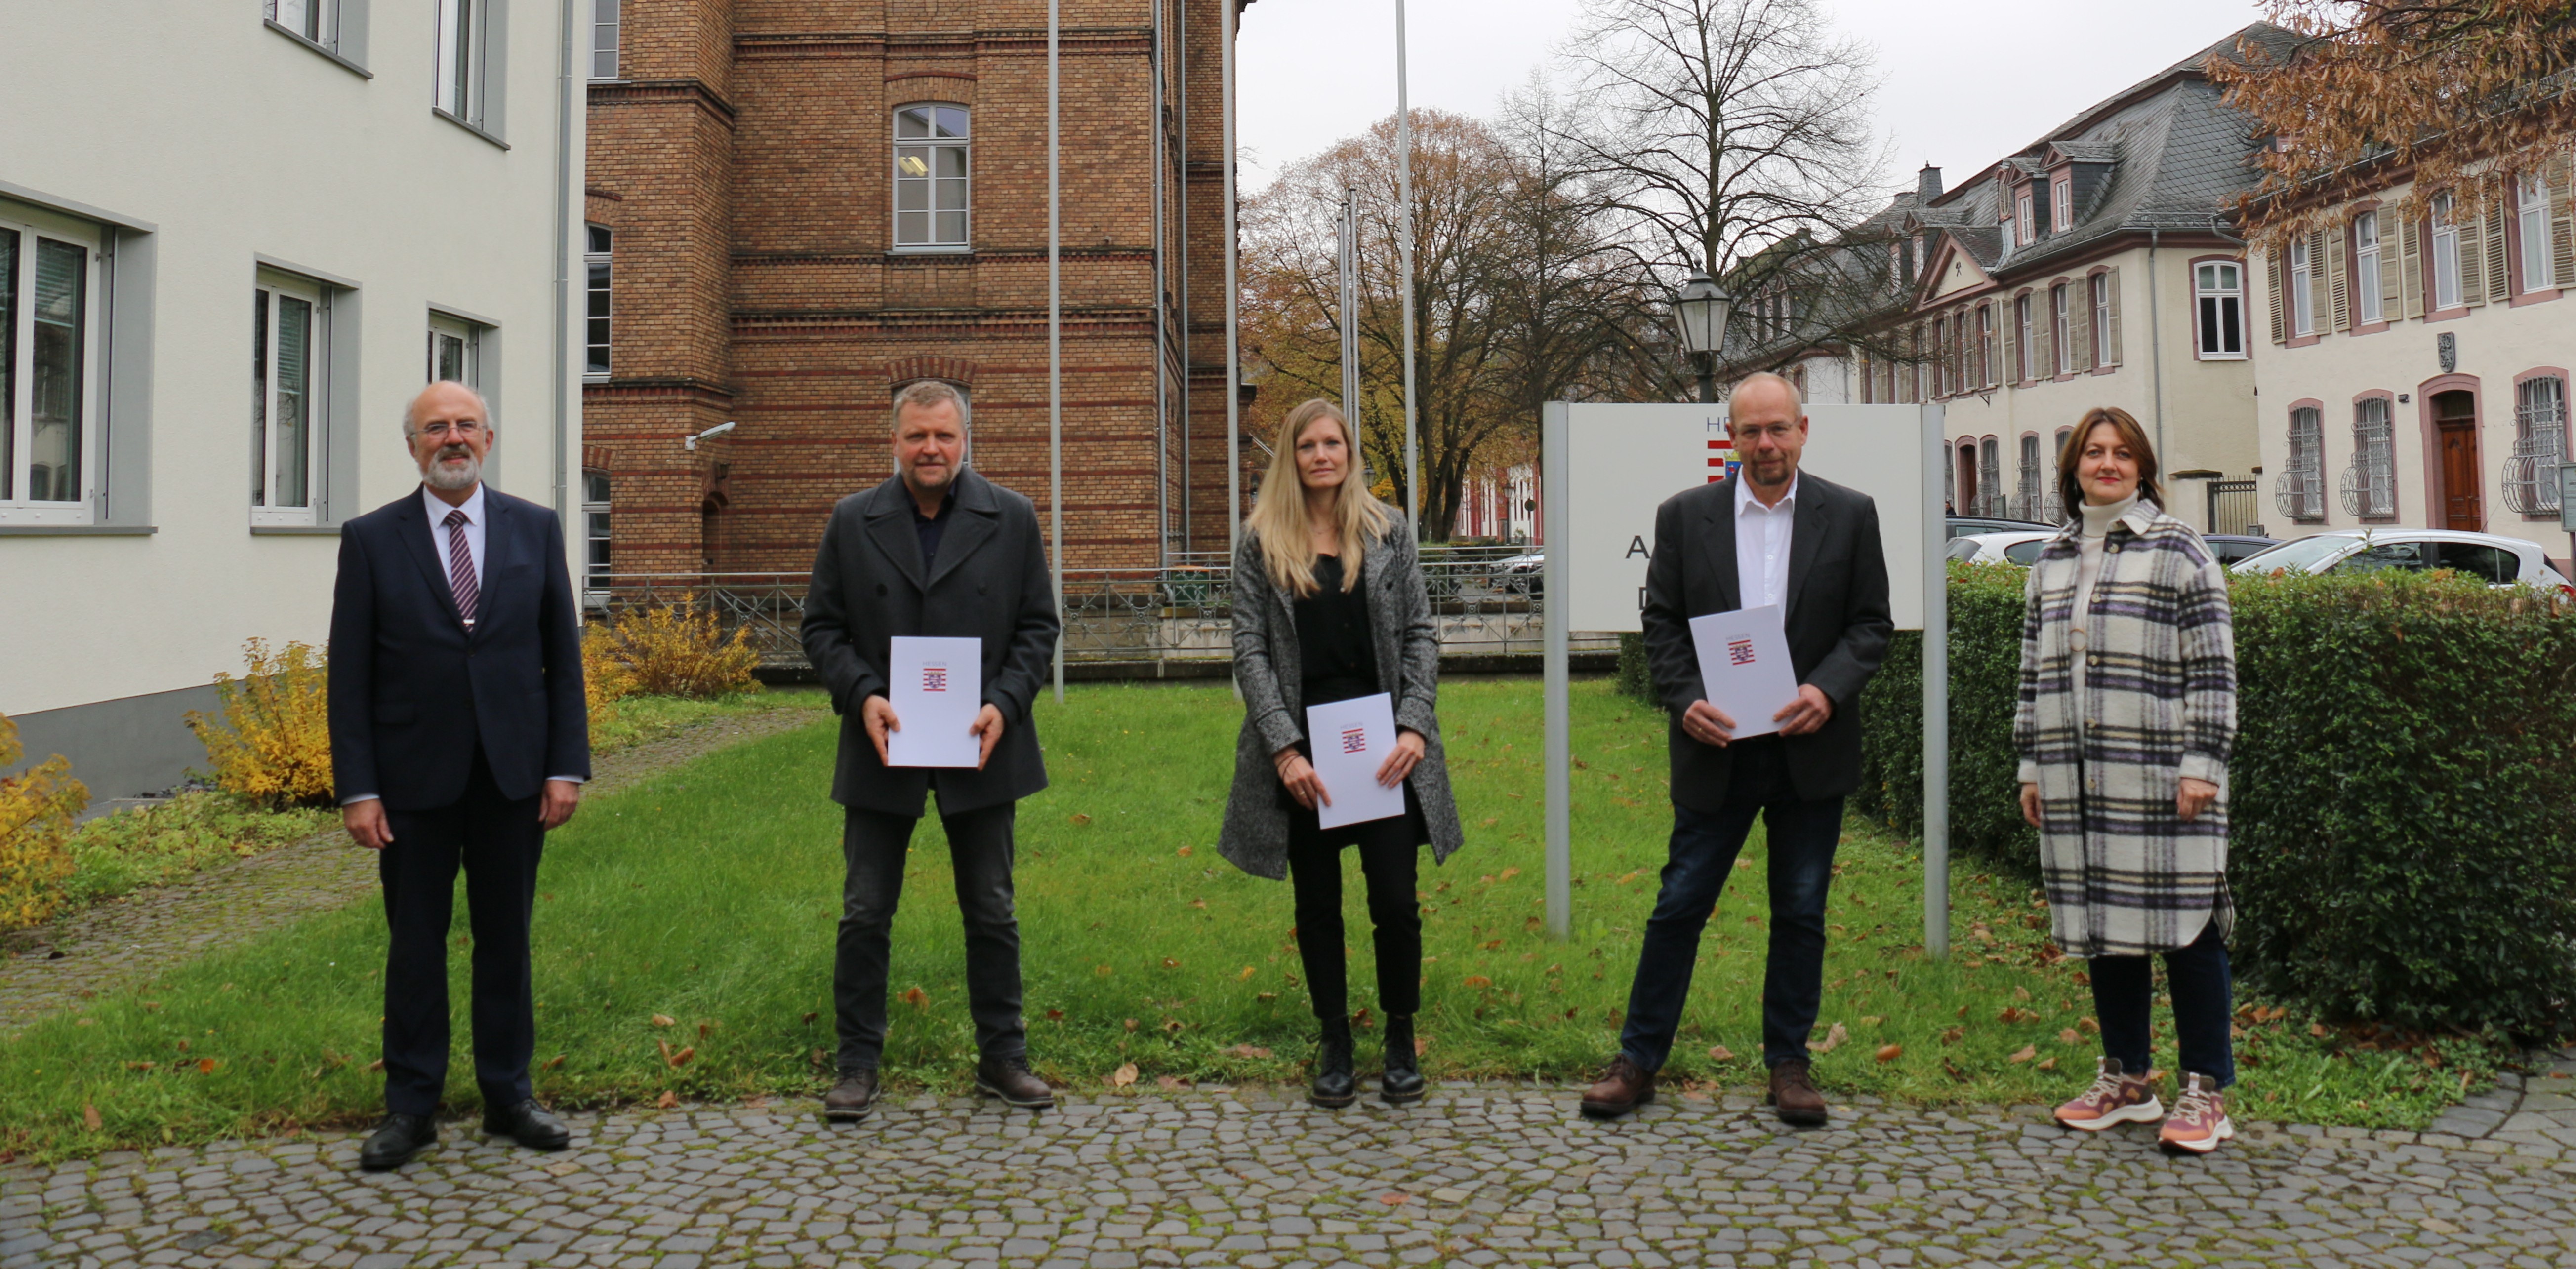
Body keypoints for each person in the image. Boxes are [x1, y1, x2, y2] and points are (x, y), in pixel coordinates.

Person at [1584, 372, 1892, 1126]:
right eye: (1750, 431)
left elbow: (1870, 625)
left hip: (1807, 747)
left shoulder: (1849, 514)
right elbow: (1661, 623)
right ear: (1731, 437)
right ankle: (1638, 1059)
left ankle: (1789, 1064)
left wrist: (1826, 690)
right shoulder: (1686, 517)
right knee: (1679, 904)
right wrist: (1684, 699)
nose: (1765, 444)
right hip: (1716, 746)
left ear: (1803, 430)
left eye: (1778, 429)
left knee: (1800, 910)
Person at [328, 381, 590, 1171]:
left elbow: (562, 662)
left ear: (489, 437)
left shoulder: (536, 529)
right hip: (412, 783)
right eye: (435, 427)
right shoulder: (373, 538)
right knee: (415, 944)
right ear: (412, 445)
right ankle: (411, 1106)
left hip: (513, 775)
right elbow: (350, 676)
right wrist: (359, 787)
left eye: (466, 426)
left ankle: (509, 1094)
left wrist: (564, 766)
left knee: (506, 940)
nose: (452, 438)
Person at [801, 380, 1062, 1121]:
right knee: (864, 909)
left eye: (944, 435)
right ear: (895, 440)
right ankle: (857, 1063)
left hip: (981, 742)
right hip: (884, 740)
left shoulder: (1011, 518)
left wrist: (1004, 704)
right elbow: (821, 627)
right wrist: (862, 694)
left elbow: (1039, 629)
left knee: (992, 908)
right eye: (917, 436)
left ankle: (1003, 1057)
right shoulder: (854, 520)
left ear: (965, 438)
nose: (931, 449)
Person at [1219, 399, 1464, 1108]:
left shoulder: (1390, 531)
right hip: (1305, 754)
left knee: (1395, 898)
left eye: (1334, 443)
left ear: (1350, 453)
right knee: (1317, 902)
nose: (1322, 455)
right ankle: (1334, 1039)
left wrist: (1415, 725)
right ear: (1290, 458)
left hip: (1384, 748)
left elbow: (1421, 631)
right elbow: (1250, 648)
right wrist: (1283, 748)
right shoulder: (1259, 541)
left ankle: (1398, 1035)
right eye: (1308, 445)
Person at [2015, 407, 2240, 1153]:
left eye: (2121, 454)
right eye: (2093, 452)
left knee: (2188, 928)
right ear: (2073, 465)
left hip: (2165, 776)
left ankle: (2205, 1089)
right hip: (2076, 779)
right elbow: (2031, 674)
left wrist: (2204, 764)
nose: (2106, 464)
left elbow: (2214, 667)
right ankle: (2127, 1079)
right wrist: (2030, 765)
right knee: (2107, 929)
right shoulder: (2049, 560)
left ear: (2143, 467)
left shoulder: (2180, 549)